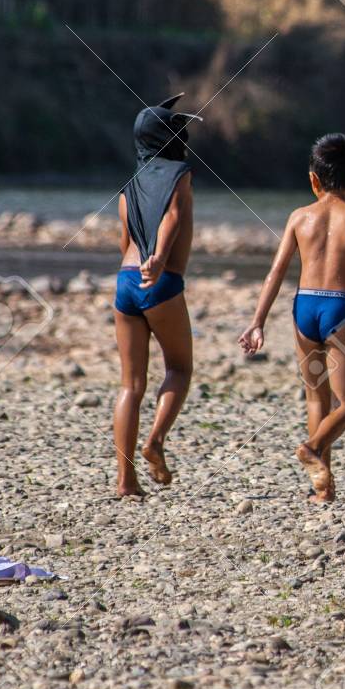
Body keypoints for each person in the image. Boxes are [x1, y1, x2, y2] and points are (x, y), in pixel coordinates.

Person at [238, 134, 345, 502]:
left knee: (317, 399)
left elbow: (276, 272)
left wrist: (257, 321)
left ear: (314, 179)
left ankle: (323, 488)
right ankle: (312, 448)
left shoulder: (299, 217)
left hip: (305, 308)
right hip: (339, 309)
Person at [112, 94, 201, 497]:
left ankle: (125, 481)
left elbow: (125, 239)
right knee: (179, 369)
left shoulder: (129, 185)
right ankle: (156, 441)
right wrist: (160, 259)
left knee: (131, 384)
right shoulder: (179, 172)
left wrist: (141, 264)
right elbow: (174, 216)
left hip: (125, 281)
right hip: (160, 280)